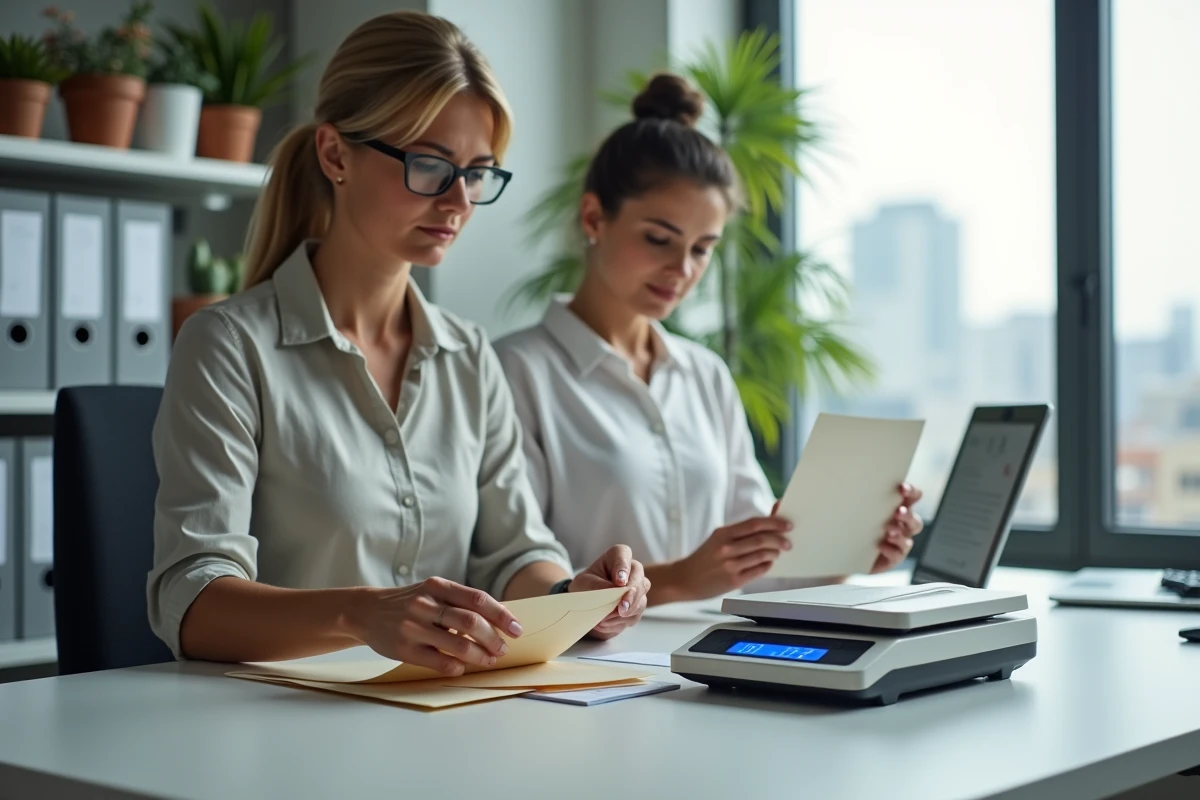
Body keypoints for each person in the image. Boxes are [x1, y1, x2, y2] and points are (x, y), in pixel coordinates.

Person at [146, 11, 649, 675]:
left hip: (437, 715)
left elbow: (511, 553)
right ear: (334, 155)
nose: (458, 200)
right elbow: (193, 602)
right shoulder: (228, 346)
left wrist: (571, 595)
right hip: (277, 729)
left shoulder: (469, 356)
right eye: (430, 165)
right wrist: (361, 615)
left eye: (476, 172)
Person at [493, 73, 924, 606]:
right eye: (659, 239)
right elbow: (512, 574)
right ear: (593, 217)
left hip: (711, 666)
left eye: (702, 249)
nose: (681, 269)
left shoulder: (703, 373)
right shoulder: (514, 372)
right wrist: (677, 580)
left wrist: (849, 554)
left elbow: (758, 565)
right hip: (586, 674)